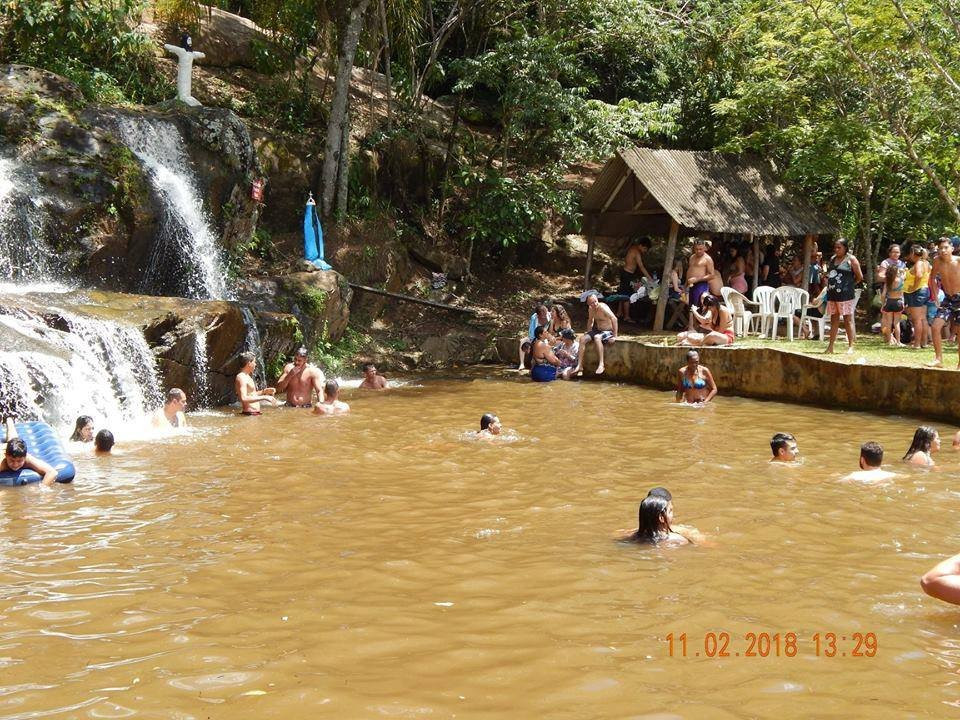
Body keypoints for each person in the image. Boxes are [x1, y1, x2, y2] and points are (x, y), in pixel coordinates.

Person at [824, 238, 864, 354]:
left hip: (846, 295)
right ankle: (830, 346)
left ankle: (851, 346)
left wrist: (849, 285)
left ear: (845, 248)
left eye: (839, 247)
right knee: (834, 320)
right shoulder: (832, 259)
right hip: (832, 294)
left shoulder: (851, 259)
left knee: (848, 320)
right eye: (835, 247)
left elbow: (859, 276)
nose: (836, 250)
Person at [927, 237, 960, 368]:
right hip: (947, 298)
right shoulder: (937, 261)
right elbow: (932, 278)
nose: (943, 250)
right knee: (935, 326)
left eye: (946, 247)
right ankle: (938, 359)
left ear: (952, 248)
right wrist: (935, 296)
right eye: (940, 248)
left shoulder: (958, 261)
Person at [1, 418, 58, 485]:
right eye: (12, 460)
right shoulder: (1, 462)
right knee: (11, 440)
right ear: (6, 456)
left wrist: (42, 488)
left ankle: (9, 421)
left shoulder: (27, 459)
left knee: (13, 439)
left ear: (25, 458)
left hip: (11, 447)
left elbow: (52, 472)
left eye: (19, 461)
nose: (15, 464)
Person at [573, 292, 618, 376]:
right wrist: (589, 331)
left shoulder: (603, 307)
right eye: (592, 303)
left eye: (595, 301)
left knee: (597, 337)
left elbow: (614, 318)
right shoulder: (590, 309)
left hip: (608, 331)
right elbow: (590, 320)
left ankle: (601, 364)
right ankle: (580, 366)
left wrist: (615, 336)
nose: (594, 304)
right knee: (582, 339)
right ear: (588, 303)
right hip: (598, 330)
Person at [621, 494, 690, 546]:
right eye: (670, 511)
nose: (673, 514)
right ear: (661, 518)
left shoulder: (630, 537)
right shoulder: (678, 540)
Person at [617, 237, 653, 321]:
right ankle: (626, 316)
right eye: (645, 249)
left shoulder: (632, 249)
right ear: (641, 245)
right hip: (627, 274)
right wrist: (649, 278)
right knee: (627, 295)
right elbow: (641, 266)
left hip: (625, 273)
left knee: (622, 293)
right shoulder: (636, 252)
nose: (645, 251)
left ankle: (619, 312)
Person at [903, 244, 931, 350]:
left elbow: (919, 275)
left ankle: (917, 344)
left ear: (912, 253)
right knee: (923, 318)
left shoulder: (919, 263)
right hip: (924, 290)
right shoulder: (926, 262)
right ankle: (924, 342)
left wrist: (913, 287)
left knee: (917, 319)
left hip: (917, 292)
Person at [685, 239, 719, 324]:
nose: (698, 251)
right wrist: (685, 285)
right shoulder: (692, 257)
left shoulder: (708, 259)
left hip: (701, 284)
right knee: (691, 306)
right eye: (696, 249)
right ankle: (691, 326)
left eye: (700, 249)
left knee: (700, 305)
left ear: (704, 248)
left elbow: (712, 275)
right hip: (691, 284)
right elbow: (689, 271)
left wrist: (697, 279)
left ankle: (701, 326)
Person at [235, 352, 277, 416]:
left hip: (253, 414)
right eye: (254, 362)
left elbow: (251, 394)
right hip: (249, 414)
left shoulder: (247, 376)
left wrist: (264, 391)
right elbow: (244, 398)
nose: (255, 364)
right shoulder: (241, 377)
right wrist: (264, 397)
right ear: (249, 363)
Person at [518, 304, 551, 371]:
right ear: (538, 315)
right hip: (534, 337)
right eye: (543, 314)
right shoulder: (534, 317)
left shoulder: (550, 316)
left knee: (546, 344)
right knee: (522, 341)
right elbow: (531, 332)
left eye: (545, 312)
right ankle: (522, 363)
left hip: (546, 336)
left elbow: (550, 330)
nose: (545, 314)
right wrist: (535, 340)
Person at [880, 263, 905, 347]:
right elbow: (904, 273)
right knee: (896, 323)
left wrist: (883, 304)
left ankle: (890, 340)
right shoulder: (901, 280)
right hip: (898, 301)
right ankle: (898, 341)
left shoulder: (888, 281)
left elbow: (883, 294)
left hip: (889, 301)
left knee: (889, 323)